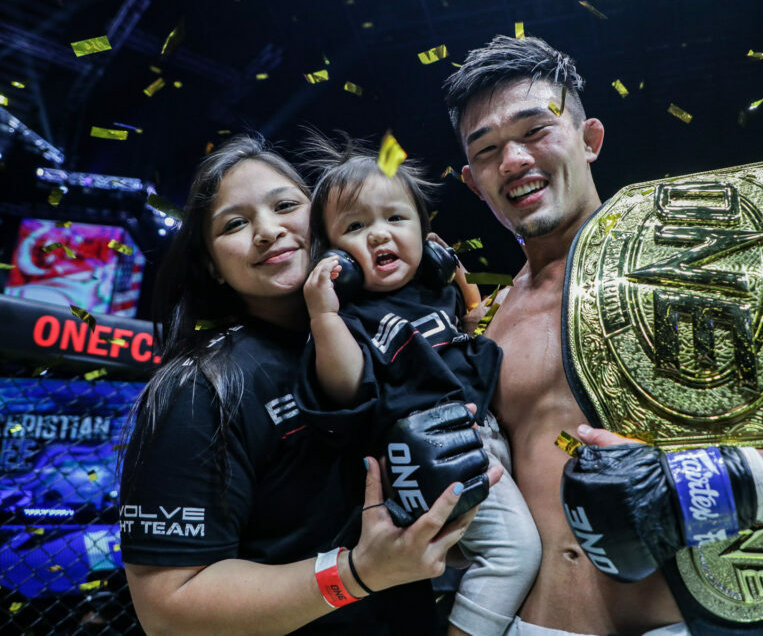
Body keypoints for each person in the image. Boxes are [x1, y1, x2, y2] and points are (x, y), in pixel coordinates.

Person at [442, 35, 763, 634]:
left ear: (589, 139)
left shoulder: (696, 253)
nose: (513, 160)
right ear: (473, 181)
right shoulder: (485, 324)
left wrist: (692, 496)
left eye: (535, 130)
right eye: (488, 150)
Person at [118, 135, 495, 634]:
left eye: (286, 206)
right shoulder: (199, 387)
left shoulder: (379, 333)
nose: (269, 231)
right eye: (235, 223)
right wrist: (356, 574)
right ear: (212, 263)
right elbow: (167, 606)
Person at [293, 134, 541, 635]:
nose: (380, 235)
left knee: (483, 565)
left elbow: (468, 322)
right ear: (334, 258)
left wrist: (467, 298)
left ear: (426, 238)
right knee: (514, 554)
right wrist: (324, 314)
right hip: (432, 456)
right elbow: (345, 387)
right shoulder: (354, 315)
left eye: (395, 219)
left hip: (478, 440)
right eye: (356, 227)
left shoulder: (431, 292)